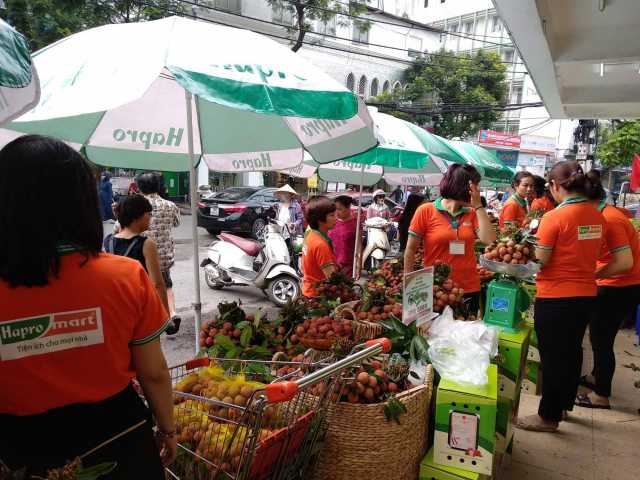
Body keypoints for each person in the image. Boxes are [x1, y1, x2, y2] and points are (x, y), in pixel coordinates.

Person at [0, 135, 175, 477]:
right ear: (83, 201)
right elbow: (153, 373)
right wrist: (167, 430)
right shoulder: (125, 276)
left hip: (19, 452)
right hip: (118, 441)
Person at [515, 161, 606, 433]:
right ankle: (564, 406)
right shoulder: (596, 216)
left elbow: (540, 260)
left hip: (556, 297)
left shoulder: (554, 217)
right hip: (586, 295)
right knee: (571, 352)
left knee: (553, 358)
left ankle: (548, 417)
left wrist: (523, 255)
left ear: (555, 185)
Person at [575, 171, 640, 409]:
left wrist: (592, 275)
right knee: (599, 336)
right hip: (612, 283)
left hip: (619, 286)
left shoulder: (611, 219)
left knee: (602, 339)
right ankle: (596, 376)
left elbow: (624, 262)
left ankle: (601, 395)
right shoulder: (600, 215)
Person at [404, 164, 496, 316]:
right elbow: (410, 249)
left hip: (468, 287)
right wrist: (409, 284)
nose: (478, 190)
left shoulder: (473, 213)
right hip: (436, 289)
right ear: (463, 187)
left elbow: (490, 241)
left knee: (466, 329)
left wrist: (479, 206)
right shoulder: (425, 211)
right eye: (476, 185)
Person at [104, 194, 170, 316]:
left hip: (117, 306)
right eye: (148, 214)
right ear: (136, 216)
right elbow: (157, 284)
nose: (150, 217)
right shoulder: (146, 244)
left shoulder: (108, 241)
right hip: (140, 306)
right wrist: (165, 314)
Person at [137, 172, 181, 335]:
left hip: (142, 255)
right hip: (164, 256)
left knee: (145, 289)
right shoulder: (170, 205)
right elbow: (177, 223)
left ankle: (151, 321)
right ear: (158, 186)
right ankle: (172, 313)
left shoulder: (136, 205)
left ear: (139, 187)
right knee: (166, 286)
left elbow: (119, 228)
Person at [301, 196, 338, 297]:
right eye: (332, 215)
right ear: (320, 219)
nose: (336, 218)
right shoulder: (320, 245)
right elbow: (332, 278)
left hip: (307, 290)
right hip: (318, 296)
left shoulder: (310, 234)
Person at [329, 195, 360, 276]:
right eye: (335, 209)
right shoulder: (332, 222)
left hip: (347, 267)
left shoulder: (356, 224)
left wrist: (358, 267)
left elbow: (359, 247)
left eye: (340, 209)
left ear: (348, 207)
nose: (336, 212)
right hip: (331, 265)